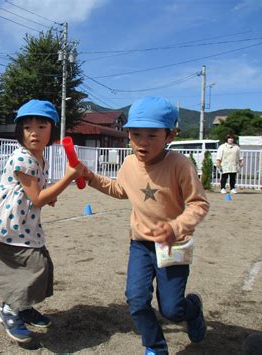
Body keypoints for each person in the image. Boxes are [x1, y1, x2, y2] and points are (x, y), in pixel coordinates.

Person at [82, 96, 210, 355]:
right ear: (128, 134)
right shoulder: (129, 163)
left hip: (173, 244)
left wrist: (176, 227)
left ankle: (193, 308)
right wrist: (91, 177)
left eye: (152, 135)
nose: (142, 142)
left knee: (172, 310)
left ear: (170, 135)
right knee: (137, 300)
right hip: (140, 243)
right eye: (135, 134)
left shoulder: (180, 165)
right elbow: (121, 189)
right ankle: (155, 347)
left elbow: (199, 204)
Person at [0, 99, 85, 344]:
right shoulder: (22, 158)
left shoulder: (40, 159)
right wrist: (68, 177)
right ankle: (9, 310)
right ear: (19, 132)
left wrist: (51, 195)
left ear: (52, 132)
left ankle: (22, 307)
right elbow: (37, 197)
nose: (34, 132)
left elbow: (38, 193)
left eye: (42, 126)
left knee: (41, 264)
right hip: (0, 225)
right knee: (33, 268)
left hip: (21, 224)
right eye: (27, 127)